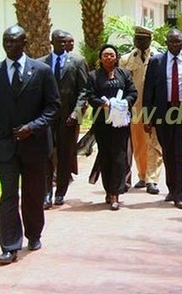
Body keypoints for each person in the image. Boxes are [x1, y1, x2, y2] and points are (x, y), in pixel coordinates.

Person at [0, 25, 60, 265]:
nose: (9, 45)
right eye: (6, 41)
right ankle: (9, 246)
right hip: (5, 146)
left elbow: (53, 107)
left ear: (25, 43)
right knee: (8, 195)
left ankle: (34, 234)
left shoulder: (42, 71)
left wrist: (32, 127)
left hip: (34, 146)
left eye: (14, 41)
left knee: (34, 194)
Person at [143, 29, 182, 209]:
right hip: (163, 111)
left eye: (178, 42)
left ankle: (181, 194)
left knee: (181, 152)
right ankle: (172, 188)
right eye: (172, 42)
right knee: (167, 151)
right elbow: (148, 90)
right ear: (167, 43)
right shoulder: (156, 61)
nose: (176, 45)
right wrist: (147, 117)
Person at [39, 29, 87, 208]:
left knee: (65, 155)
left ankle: (60, 192)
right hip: (46, 118)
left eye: (65, 42)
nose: (62, 44)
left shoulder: (77, 62)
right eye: (58, 42)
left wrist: (77, 112)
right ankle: (46, 193)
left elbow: (84, 90)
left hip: (68, 117)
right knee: (46, 154)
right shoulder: (41, 64)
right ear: (51, 42)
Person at [86, 44, 137, 211]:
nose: (109, 58)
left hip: (121, 123)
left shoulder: (125, 74)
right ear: (101, 58)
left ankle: (116, 193)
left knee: (119, 157)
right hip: (102, 122)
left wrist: (125, 103)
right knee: (106, 156)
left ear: (116, 57)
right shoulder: (93, 76)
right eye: (105, 55)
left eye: (112, 55)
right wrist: (104, 104)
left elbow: (133, 92)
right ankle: (108, 189)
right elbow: (90, 95)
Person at [119, 26, 163, 196]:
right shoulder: (126, 59)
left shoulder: (158, 57)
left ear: (150, 40)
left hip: (154, 108)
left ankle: (153, 179)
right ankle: (143, 175)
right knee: (138, 145)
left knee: (154, 143)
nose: (140, 42)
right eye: (137, 39)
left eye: (143, 39)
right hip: (134, 108)